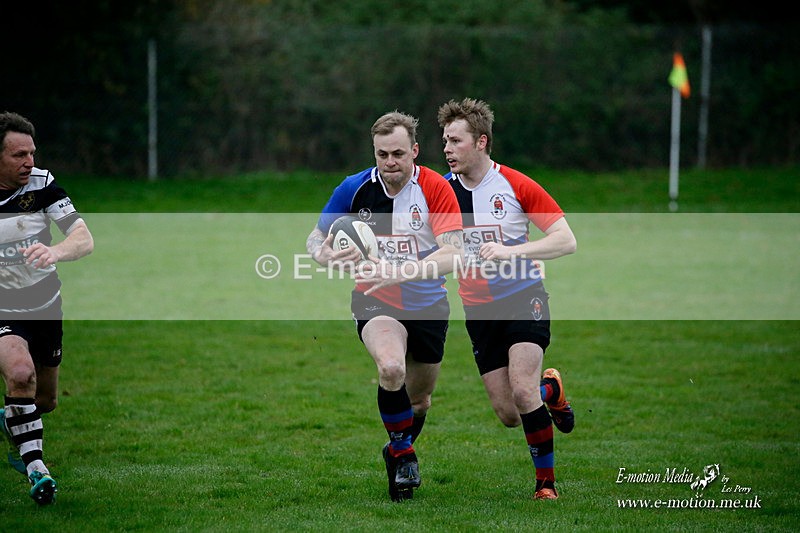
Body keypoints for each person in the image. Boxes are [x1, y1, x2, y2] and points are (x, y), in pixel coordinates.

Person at [306, 111, 463, 501]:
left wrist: (401, 270)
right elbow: (315, 237)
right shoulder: (354, 188)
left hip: (427, 304)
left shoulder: (436, 189)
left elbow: (454, 253)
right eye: (381, 154)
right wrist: (322, 255)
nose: (390, 162)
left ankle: (395, 449)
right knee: (391, 368)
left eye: (397, 153)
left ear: (414, 150)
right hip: (374, 299)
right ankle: (405, 453)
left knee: (420, 400)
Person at [437, 98, 577, 500]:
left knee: (521, 389)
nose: (447, 149)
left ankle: (545, 485)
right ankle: (552, 392)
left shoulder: (515, 184)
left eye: (456, 141)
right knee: (509, 413)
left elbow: (566, 240)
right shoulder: (439, 193)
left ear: (481, 142)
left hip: (523, 297)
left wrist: (511, 252)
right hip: (478, 309)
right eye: (444, 141)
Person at [0, 111, 94, 505]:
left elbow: (83, 238)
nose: (29, 162)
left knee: (43, 401)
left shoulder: (42, 184)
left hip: (44, 305)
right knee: (20, 373)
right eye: (19, 154)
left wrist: (54, 250)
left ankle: (14, 423)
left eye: (32, 152)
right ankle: (38, 470)